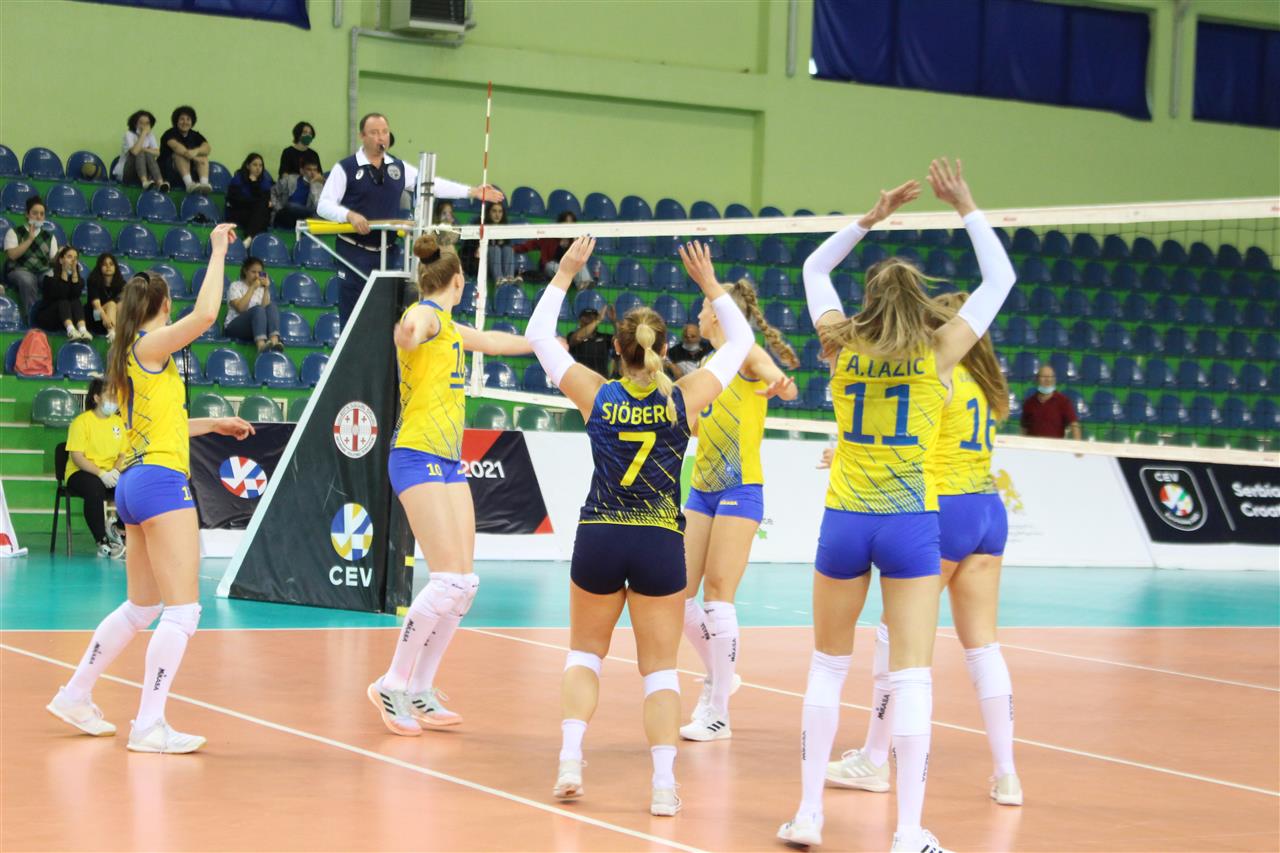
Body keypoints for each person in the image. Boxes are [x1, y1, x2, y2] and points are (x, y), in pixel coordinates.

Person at [776, 159, 1015, 853]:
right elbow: (1000, 279)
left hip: (845, 520)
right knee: (911, 675)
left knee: (828, 667)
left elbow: (813, 269)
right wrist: (965, 204)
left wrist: (869, 218)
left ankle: (809, 814)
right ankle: (909, 831)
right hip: (911, 522)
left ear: (870, 302)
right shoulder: (939, 352)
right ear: (918, 302)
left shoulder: (839, 344)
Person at [524, 238, 755, 817]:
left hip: (600, 535)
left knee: (584, 657)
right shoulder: (685, 397)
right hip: (658, 541)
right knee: (659, 673)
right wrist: (711, 286)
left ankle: (570, 762)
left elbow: (538, 335)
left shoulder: (596, 394)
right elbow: (742, 343)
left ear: (617, 349)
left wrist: (566, 273)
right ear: (661, 348)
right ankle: (662, 786)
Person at [45, 222, 255, 753]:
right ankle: (148, 724)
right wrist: (216, 251)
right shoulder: (151, 345)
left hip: (135, 484)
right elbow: (206, 315)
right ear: (162, 306)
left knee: (142, 607)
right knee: (183, 611)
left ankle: (75, 693)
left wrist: (212, 424)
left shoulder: (127, 356)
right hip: (161, 483)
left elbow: (163, 425)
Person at [826, 290, 1022, 807]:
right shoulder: (986, 381)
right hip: (987, 509)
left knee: (895, 635)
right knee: (984, 647)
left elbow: (904, 436)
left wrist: (847, 451)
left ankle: (874, 758)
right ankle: (1007, 775)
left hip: (943, 507)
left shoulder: (939, 374)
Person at [368, 234, 536, 737]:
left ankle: (421, 687)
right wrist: (407, 335)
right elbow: (415, 326)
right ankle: (391, 683)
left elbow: (494, 342)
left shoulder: (453, 329)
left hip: (445, 460)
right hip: (415, 455)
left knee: (464, 585)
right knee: (447, 582)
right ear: (458, 281)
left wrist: (544, 346)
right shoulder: (428, 316)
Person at [679, 278, 799, 742]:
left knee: (718, 595)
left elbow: (777, 378)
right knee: (678, 596)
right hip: (702, 488)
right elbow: (698, 425)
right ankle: (719, 676)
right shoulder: (710, 365)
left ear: (718, 313)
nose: (699, 315)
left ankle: (719, 713)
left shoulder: (745, 353)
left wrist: (780, 384)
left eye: (704, 307)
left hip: (740, 486)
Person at [316, 112, 503, 327]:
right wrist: (349, 215)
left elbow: (431, 184)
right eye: (374, 133)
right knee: (352, 318)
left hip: (388, 253)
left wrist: (472, 192)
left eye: (384, 132)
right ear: (362, 136)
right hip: (353, 252)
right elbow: (324, 205)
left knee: (386, 319)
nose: (380, 137)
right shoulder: (345, 168)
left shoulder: (397, 167)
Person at [64, 377, 127, 559]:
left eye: (116, 396)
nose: (114, 400)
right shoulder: (81, 422)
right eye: (109, 396)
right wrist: (101, 474)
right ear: (97, 398)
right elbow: (77, 456)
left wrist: (115, 471)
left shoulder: (118, 423)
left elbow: (123, 454)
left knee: (131, 485)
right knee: (95, 487)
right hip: (81, 473)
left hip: (111, 472)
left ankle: (119, 529)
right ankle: (102, 541)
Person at [3, 194, 57, 310]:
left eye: (42, 214)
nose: (38, 217)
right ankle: (32, 316)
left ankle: (51, 315)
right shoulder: (14, 232)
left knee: (54, 280)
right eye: (35, 213)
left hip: (42, 271)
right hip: (19, 270)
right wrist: (30, 240)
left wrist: (60, 255)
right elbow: (12, 255)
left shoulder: (50, 237)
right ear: (27, 214)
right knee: (28, 280)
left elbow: (53, 260)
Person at [515, 210, 593, 286]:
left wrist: (575, 243)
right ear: (560, 223)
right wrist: (513, 249)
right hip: (552, 268)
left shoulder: (575, 240)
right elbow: (531, 244)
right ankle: (578, 281)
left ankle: (584, 286)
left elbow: (579, 257)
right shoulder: (550, 237)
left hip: (569, 270)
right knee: (550, 265)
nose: (568, 225)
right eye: (566, 222)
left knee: (580, 264)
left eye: (571, 222)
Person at [223, 257, 282, 353]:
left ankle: (275, 342)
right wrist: (253, 287)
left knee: (272, 306)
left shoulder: (261, 289)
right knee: (257, 309)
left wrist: (266, 288)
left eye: (259, 272)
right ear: (245, 271)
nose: (257, 275)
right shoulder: (235, 286)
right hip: (234, 327)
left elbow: (266, 311)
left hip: (255, 328)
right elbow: (241, 308)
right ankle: (261, 345)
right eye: (253, 272)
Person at [36, 247, 92, 341]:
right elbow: (61, 295)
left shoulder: (77, 278)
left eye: (75, 258)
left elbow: (75, 295)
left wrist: (74, 273)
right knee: (63, 301)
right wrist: (64, 272)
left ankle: (83, 330)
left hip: (65, 318)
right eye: (69, 257)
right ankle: (71, 331)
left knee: (76, 301)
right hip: (49, 317)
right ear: (61, 260)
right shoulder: (49, 276)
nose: (73, 260)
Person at [159, 105, 211, 194]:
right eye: (182, 119)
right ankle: (189, 185)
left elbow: (207, 147)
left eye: (188, 119)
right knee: (180, 155)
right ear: (177, 121)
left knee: (203, 156)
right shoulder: (169, 134)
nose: (185, 122)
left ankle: (204, 185)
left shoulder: (195, 135)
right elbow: (178, 148)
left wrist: (196, 151)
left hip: (190, 170)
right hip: (169, 172)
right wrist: (195, 158)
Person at [1020, 365, 1081, 439]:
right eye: (1044, 377)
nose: (1048, 380)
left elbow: (1074, 425)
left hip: (1055, 445)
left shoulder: (1064, 402)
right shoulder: (1029, 403)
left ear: (1054, 380)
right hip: (1033, 445)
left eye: (1051, 377)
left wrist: (1077, 445)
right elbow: (1023, 429)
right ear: (1037, 380)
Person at [225, 153, 274, 243]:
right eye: (255, 165)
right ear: (248, 166)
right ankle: (250, 238)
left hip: (255, 213)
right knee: (262, 216)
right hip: (238, 212)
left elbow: (264, 201)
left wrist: (254, 184)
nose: (258, 168)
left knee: (263, 211)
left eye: (260, 165)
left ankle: (249, 239)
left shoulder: (264, 182)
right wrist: (254, 201)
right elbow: (235, 201)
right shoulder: (238, 180)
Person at [114, 110, 166, 191]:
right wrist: (143, 133)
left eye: (147, 123)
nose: (144, 126)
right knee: (140, 152)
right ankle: (144, 181)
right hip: (127, 172)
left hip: (145, 171)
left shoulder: (151, 135)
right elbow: (135, 152)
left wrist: (144, 149)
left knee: (147, 154)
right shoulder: (129, 134)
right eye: (141, 123)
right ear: (135, 124)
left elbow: (157, 153)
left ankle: (160, 183)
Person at [271, 152, 323, 229]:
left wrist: (312, 185)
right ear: (302, 170)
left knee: (317, 213)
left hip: (304, 218)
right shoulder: (289, 180)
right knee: (291, 206)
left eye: (315, 170)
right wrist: (278, 208)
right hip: (285, 214)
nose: (312, 173)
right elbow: (273, 191)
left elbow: (316, 205)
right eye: (309, 169)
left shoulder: (318, 186)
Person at [86, 253, 127, 340]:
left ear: (115, 267)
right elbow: (96, 306)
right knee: (111, 304)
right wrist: (105, 318)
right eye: (104, 264)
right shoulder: (93, 281)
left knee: (120, 304)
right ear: (99, 267)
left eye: (111, 264)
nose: (108, 267)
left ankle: (118, 332)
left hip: (112, 319)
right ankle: (112, 334)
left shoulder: (121, 284)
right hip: (96, 317)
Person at [568, 305, 615, 376]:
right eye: (587, 317)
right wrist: (598, 320)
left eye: (593, 317)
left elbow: (621, 340)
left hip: (601, 379)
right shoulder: (572, 335)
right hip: (580, 378)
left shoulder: (604, 337)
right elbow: (578, 338)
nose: (590, 319)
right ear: (580, 320)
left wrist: (614, 320)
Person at [481, 201, 516, 284]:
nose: (497, 215)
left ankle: (509, 279)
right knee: (495, 249)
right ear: (488, 212)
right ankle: (499, 280)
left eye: (500, 212)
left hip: (501, 263)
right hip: (483, 264)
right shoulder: (481, 225)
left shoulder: (505, 228)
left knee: (508, 249)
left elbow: (506, 244)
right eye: (494, 211)